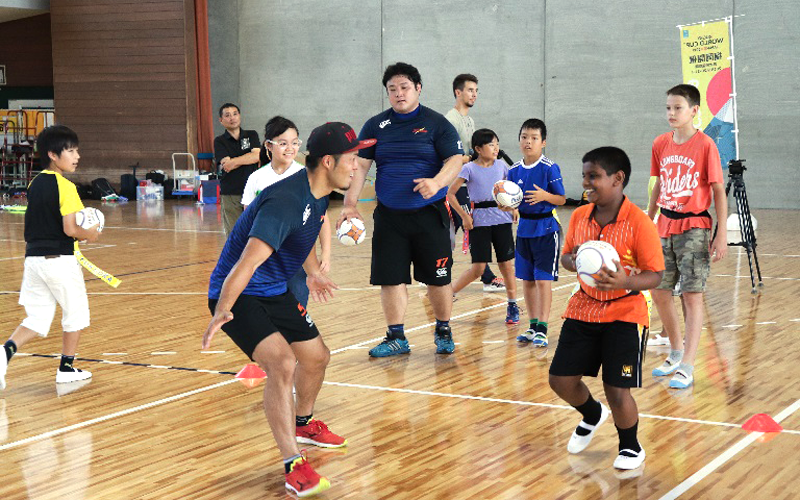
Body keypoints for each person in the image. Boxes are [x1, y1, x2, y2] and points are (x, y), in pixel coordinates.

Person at [203, 122, 373, 497]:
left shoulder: (316, 193)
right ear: (328, 161)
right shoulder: (285, 200)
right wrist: (222, 310)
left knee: (316, 357)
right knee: (282, 363)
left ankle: (303, 423)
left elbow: (304, 236)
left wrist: (312, 273)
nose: (358, 165)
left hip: (275, 290)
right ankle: (292, 465)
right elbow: (246, 262)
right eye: (352, 158)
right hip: (240, 294)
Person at [549, 146, 664, 471]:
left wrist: (623, 281)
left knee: (617, 389)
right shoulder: (581, 216)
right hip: (583, 310)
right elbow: (568, 256)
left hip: (624, 315)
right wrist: (578, 260)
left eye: (594, 176)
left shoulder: (639, 223)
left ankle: (631, 446)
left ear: (618, 179)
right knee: (560, 380)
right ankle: (591, 413)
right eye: (585, 176)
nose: (587, 183)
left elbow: (655, 275)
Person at [339, 62, 464, 357]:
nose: (398, 93)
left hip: (429, 213)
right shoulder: (375, 125)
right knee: (390, 277)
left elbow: (455, 161)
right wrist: (349, 204)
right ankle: (396, 337)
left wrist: (436, 183)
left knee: (438, 277)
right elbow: (361, 165)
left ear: (418, 89)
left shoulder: (437, 124)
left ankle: (443, 329)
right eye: (392, 89)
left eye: (404, 87)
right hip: (390, 217)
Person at [1, 125, 99, 391]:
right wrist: (89, 234)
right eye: (70, 150)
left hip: (33, 261)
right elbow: (70, 230)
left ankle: (4, 353)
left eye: (77, 149)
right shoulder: (66, 187)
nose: (76, 155)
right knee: (75, 314)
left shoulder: (35, 182)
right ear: (53, 155)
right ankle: (66, 368)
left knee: (37, 317)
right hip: (59, 261)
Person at [647, 84, 728, 389]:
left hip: (695, 227)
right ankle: (676, 350)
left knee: (692, 295)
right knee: (659, 290)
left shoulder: (706, 145)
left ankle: (688, 364)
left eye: (677, 108)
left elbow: (718, 190)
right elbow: (659, 183)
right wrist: (649, 217)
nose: (671, 113)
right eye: (668, 107)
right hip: (663, 225)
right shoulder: (660, 143)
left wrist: (719, 234)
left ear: (694, 111)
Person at [242, 115, 332, 308]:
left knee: (296, 309)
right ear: (268, 145)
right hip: (265, 260)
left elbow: (322, 219)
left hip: (298, 259)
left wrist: (326, 252)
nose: (290, 148)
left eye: (294, 142)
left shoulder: (309, 178)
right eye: (283, 143)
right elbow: (247, 220)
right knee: (267, 313)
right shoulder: (256, 179)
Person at [446, 128, 519, 324]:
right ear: (478, 148)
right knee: (478, 268)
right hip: (478, 223)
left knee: (506, 266)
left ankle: (512, 305)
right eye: (491, 144)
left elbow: (511, 191)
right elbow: (450, 194)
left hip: (502, 221)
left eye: (497, 143)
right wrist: (464, 217)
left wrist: (514, 208)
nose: (496, 148)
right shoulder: (468, 168)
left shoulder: (502, 166)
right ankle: (449, 292)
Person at [444, 73, 509, 292]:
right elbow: (449, 156)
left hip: (468, 186)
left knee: (460, 230)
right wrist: (472, 158)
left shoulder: (469, 121)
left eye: (476, 91)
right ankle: (481, 277)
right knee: (467, 225)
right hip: (456, 184)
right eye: (470, 90)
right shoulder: (450, 121)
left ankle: (482, 275)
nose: (474, 94)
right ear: (458, 92)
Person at [507, 119, 566, 347]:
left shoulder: (549, 168)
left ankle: (543, 327)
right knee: (528, 280)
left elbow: (561, 199)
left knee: (543, 280)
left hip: (546, 229)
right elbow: (512, 201)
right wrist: (508, 206)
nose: (528, 142)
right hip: (524, 230)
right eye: (524, 137)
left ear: (543, 142)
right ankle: (532, 327)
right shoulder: (514, 170)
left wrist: (544, 196)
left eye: (533, 138)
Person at [213, 103, 261, 234]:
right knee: (234, 234)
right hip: (231, 193)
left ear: (239, 116)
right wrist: (248, 157)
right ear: (221, 120)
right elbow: (227, 165)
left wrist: (234, 161)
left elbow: (257, 156)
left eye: (235, 114)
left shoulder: (251, 135)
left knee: (255, 233)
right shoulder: (219, 141)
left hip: (253, 192)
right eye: (227, 115)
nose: (232, 118)